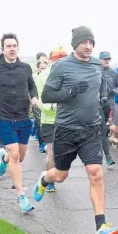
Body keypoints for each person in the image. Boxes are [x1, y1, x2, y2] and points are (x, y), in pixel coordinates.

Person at [32, 26, 118, 234]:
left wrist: (102, 99)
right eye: (85, 42)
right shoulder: (62, 66)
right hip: (66, 130)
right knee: (60, 175)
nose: (89, 46)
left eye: (91, 42)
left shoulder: (97, 65)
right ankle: (44, 179)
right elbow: (47, 95)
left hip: (91, 128)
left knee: (96, 173)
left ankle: (101, 226)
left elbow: (100, 85)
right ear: (76, 45)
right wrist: (71, 91)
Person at [0, 33, 38, 213]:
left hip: (23, 118)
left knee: (19, 157)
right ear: (3, 49)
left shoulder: (25, 68)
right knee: (15, 155)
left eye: (14, 46)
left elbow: (32, 86)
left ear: (17, 48)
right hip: (4, 118)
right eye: (8, 46)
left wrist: (34, 97)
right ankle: (21, 196)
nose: (12, 49)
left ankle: (3, 158)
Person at [35, 46, 69, 193]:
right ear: (51, 61)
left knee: (63, 153)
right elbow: (39, 101)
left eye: (64, 60)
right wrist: (54, 107)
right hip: (48, 121)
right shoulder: (43, 77)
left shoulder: (70, 75)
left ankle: (52, 174)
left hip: (66, 121)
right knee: (51, 151)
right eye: (58, 61)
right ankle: (49, 182)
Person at [99, 51, 118, 165]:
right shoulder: (95, 72)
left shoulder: (114, 73)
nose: (107, 60)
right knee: (102, 129)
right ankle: (107, 156)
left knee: (102, 130)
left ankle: (100, 149)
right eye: (104, 59)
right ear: (100, 60)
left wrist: (114, 92)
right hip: (96, 105)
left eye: (108, 59)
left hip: (108, 105)